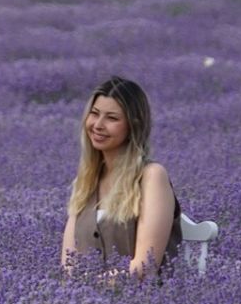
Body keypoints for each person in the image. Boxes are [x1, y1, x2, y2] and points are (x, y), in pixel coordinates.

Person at [61, 76, 183, 278]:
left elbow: (146, 266)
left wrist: (94, 286)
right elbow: (68, 263)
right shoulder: (87, 181)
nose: (98, 125)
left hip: (141, 295)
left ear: (133, 126)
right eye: (94, 114)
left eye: (112, 118)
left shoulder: (151, 177)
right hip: (87, 295)